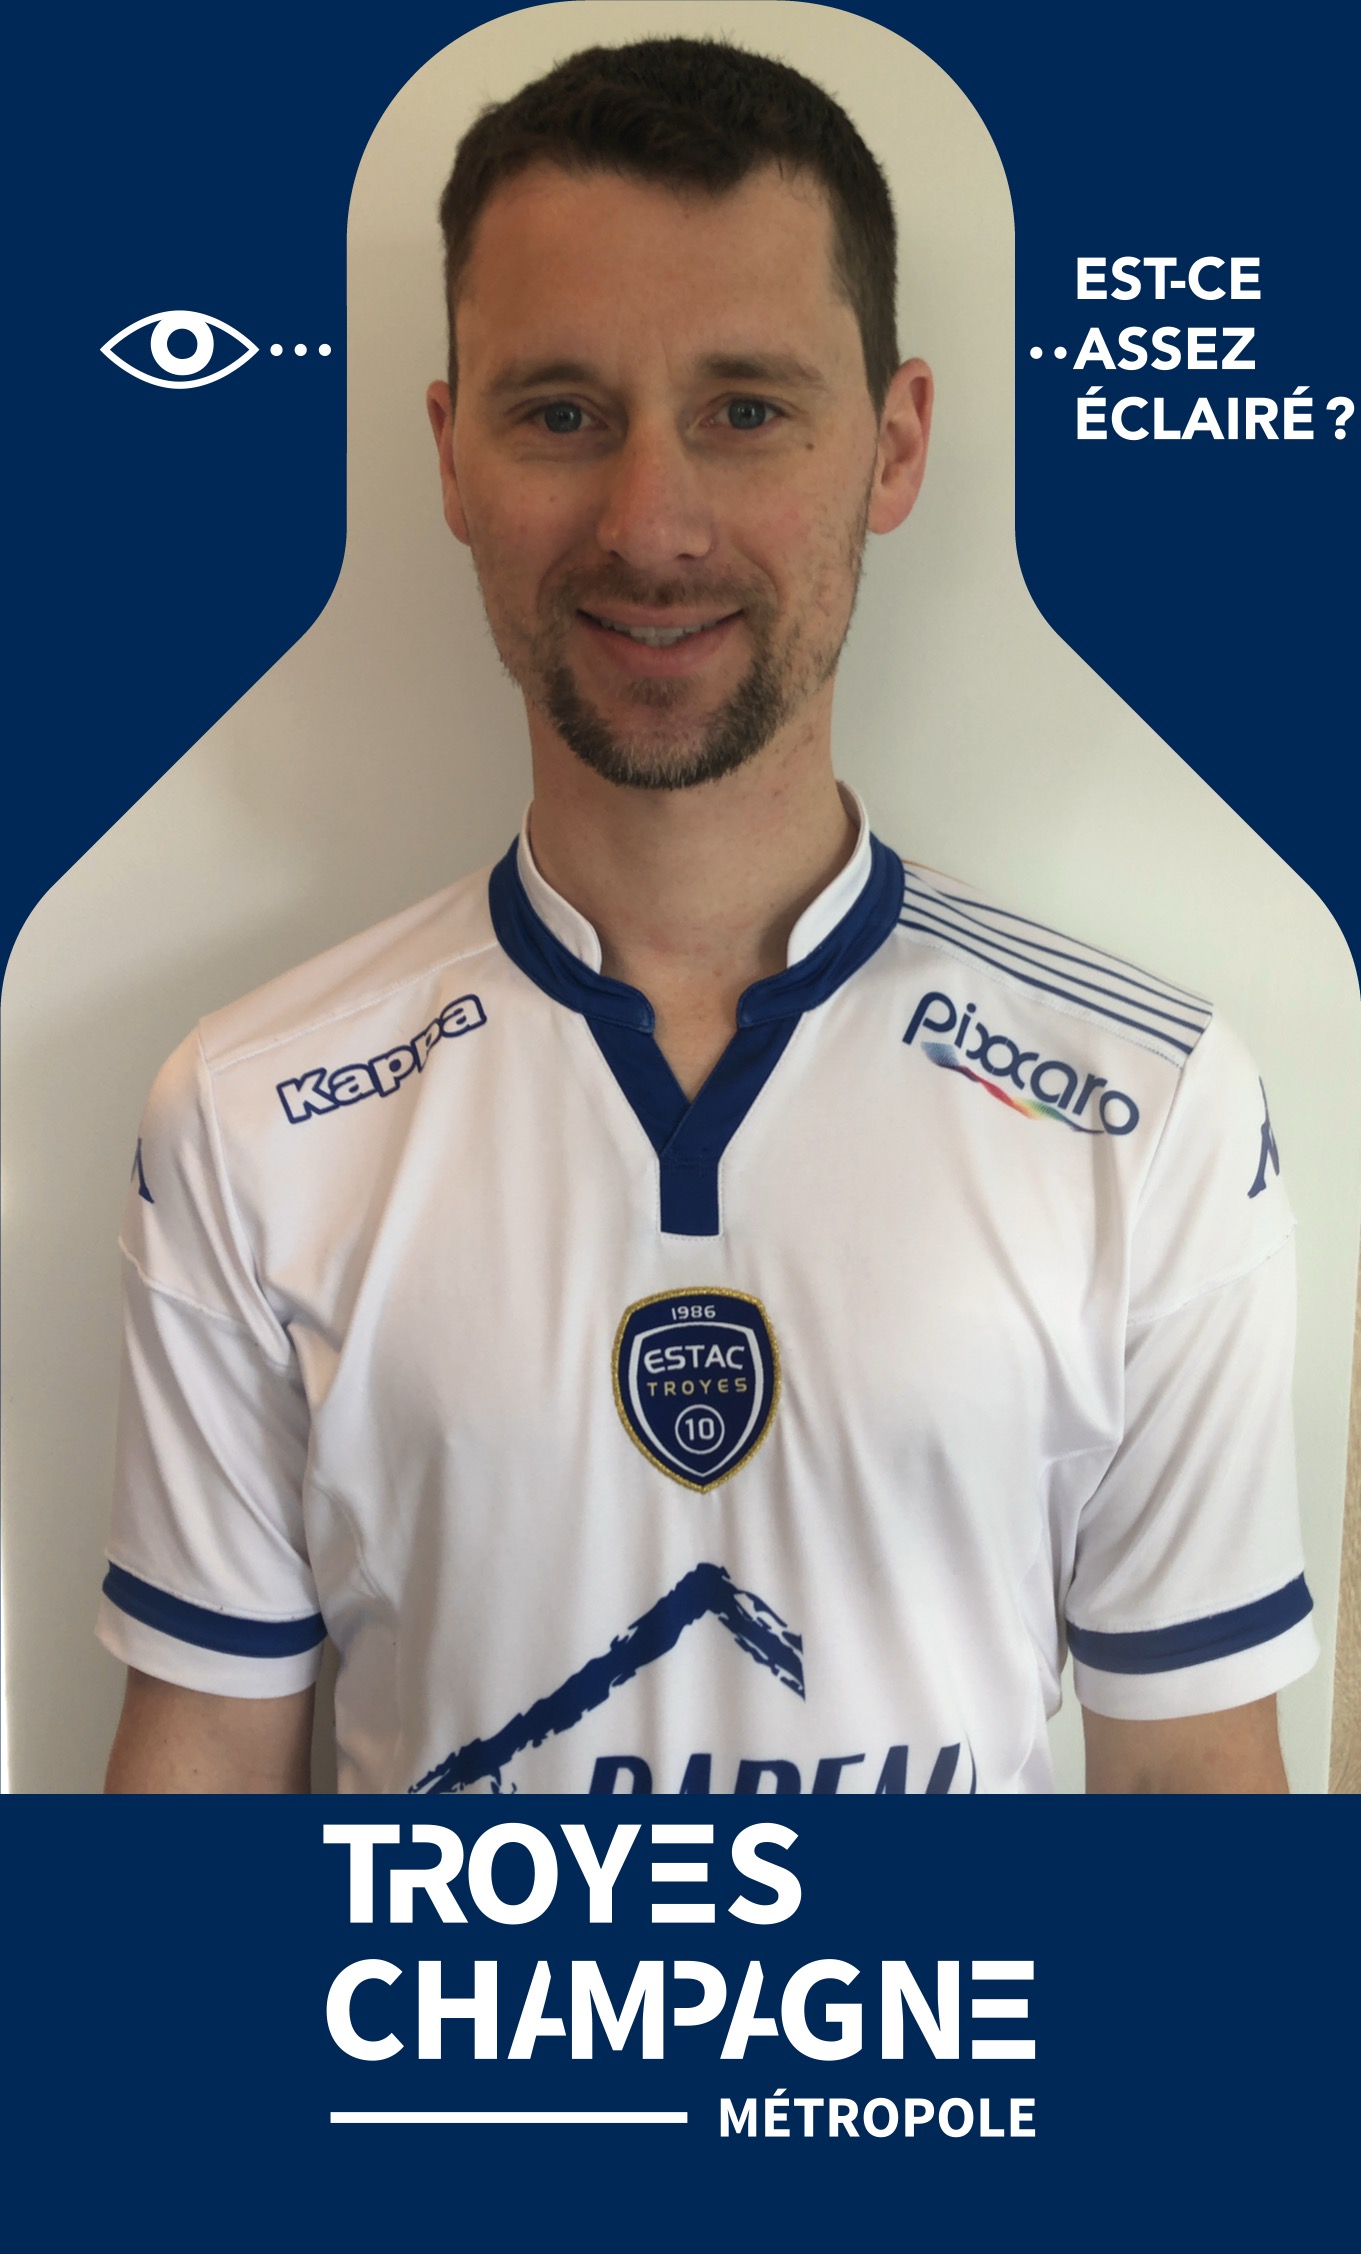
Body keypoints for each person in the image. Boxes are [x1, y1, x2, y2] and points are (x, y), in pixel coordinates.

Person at [99, 37, 1315, 1795]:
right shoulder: (246, 1110)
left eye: (745, 409)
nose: (650, 523)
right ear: (452, 458)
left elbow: (1190, 1790)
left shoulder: (1149, 1103)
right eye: (560, 412)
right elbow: (205, 1763)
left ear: (894, 444)